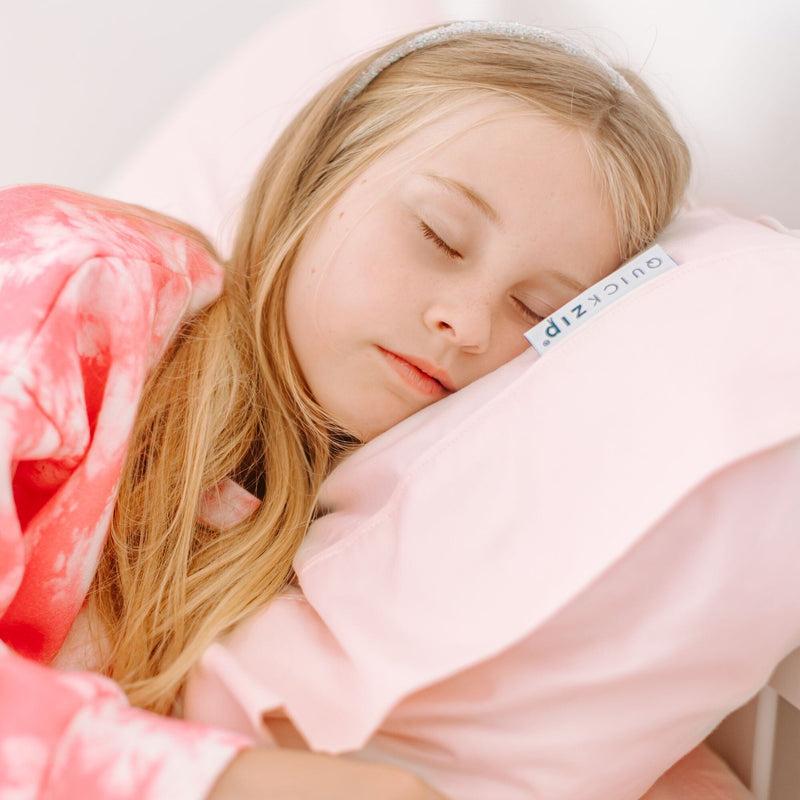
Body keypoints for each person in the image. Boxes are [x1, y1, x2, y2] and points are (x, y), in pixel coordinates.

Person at [0, 21, 691, 800]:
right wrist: (227, 782)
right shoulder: (74, 280)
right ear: (320, 175)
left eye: (534, 309)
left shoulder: (347, 534)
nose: (465, 323)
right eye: (439, 235)